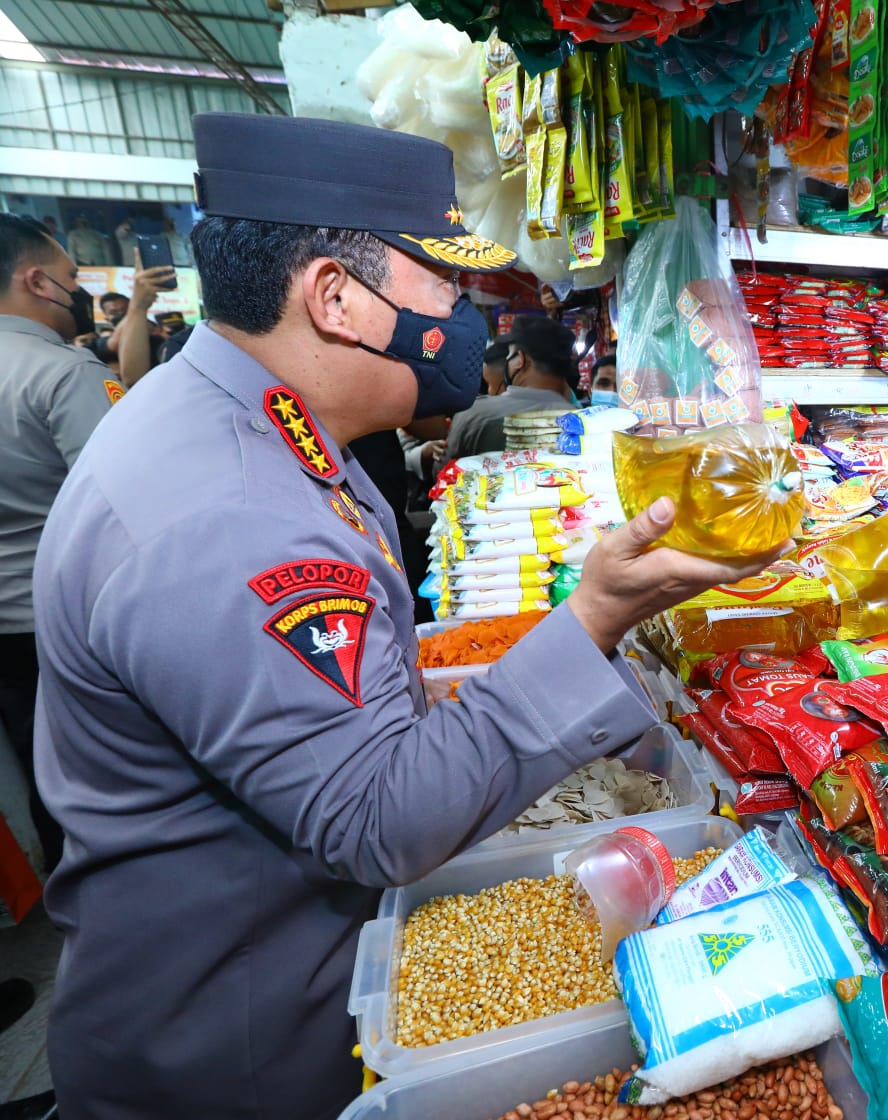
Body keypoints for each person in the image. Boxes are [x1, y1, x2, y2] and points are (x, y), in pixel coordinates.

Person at [32, 112, 783, 1120]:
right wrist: (595, 614)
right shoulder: (230, 511)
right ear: (336, 297)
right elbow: (376, 816)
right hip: (239, 1048)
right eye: (443, 284)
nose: (462, 318)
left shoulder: (250, 425)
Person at [0, 214, 125, 871]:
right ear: (37, 281)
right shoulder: (62, 374)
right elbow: (122, 504)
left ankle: (64, 885)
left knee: (31, 764)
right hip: (63, 620)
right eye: (73, 279)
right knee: (90, 774)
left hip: (6, 633)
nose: (76, 293)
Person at [437, 313, 580, 471]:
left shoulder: (474, 413)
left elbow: (443, 474)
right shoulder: (583, 421)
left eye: (509, 356)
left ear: (520, 360)